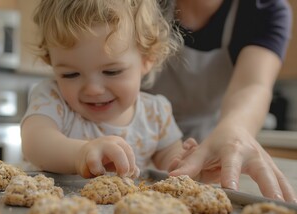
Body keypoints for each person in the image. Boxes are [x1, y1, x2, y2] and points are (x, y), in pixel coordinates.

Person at [21, 0, 195, 179]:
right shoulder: (53, 98)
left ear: (147, 59)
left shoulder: (156, 113)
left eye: (111, 71)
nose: (93, 90)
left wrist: (189, 166)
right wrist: (81, 153)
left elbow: (171, 164)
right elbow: (34, 143)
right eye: (71, 74)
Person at [148, 0, 297, 202]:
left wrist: (236, 131)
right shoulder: (135, 5)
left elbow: (253, 85)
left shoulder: (262, 10)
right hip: (140, 138)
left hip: (208, 149)